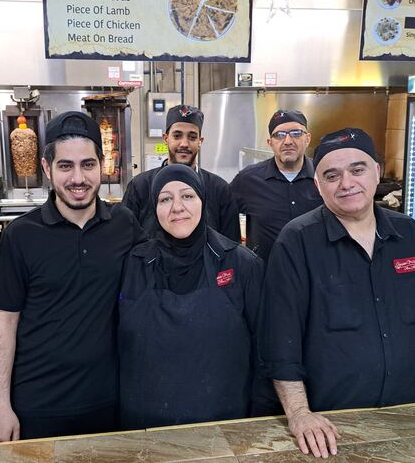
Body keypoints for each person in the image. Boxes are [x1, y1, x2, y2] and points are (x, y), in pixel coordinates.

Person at [259, 128, 415, 459]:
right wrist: (299, 414)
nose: (346, 183)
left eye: (357, 169)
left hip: (405, 415)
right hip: (330, 426)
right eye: (331, 175)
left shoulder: (408, 234)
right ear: (317, 186)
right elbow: (281, 339)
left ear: (377, 171)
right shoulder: (297, 242)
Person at [0, 111, 146, 441]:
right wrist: (0, 404)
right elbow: (4, 320)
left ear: (102, 164)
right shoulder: (21, 235)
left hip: (109, 399)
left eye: (87, 165)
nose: (78, 178)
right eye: (65, 166)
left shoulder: (123, 224)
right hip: (39, 402)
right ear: (47, 169)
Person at [118, 164, 263, 428]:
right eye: (165, 199)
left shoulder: (242, 265)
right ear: (154, 208)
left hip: (224, 424)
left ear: (202, 201)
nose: (177, 207)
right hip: (142, 428)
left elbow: (265, 349)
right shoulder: (132, 264)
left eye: (187, 196)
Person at [122, 105, 240, 242]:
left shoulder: (219, 189)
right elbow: (125, 241)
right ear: (166, 138)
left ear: (200, 142)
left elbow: (231, 246)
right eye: (177, 136)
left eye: (192, 137)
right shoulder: (140, 186)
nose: (184, 143)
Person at [231, 110, 323, 261]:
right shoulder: (248, 180)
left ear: (307, 138)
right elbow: (222, 216)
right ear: (270, 143)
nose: (287, 141)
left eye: (296, 133)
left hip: (317, 275)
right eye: (279, 135)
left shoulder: (325, 176)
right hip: (265, 276)